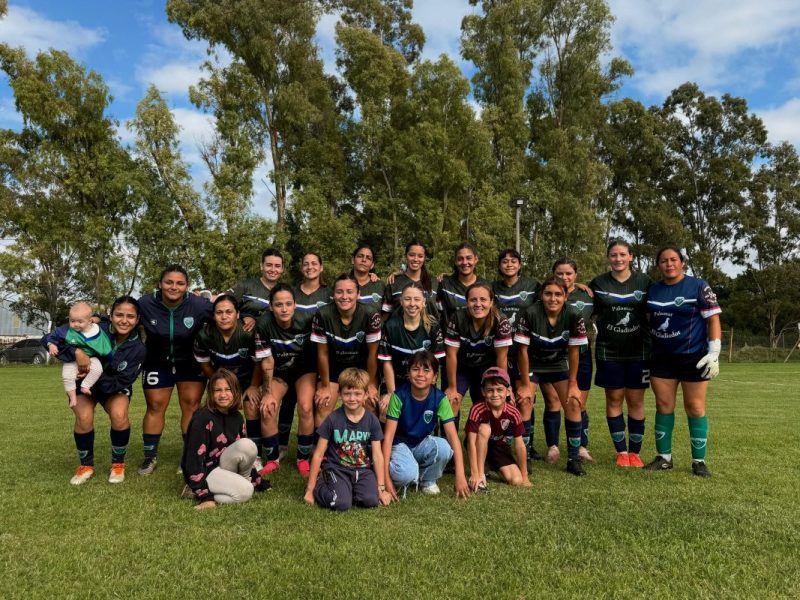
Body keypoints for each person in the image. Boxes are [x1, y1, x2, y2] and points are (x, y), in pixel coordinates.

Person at [44, 296, 146, 485]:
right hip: (83, 383)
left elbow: (124, 380)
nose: (124, 320)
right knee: (83, 417)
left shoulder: (138, 348)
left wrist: (93, 378)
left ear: (137, 319)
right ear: (111, 316)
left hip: (111, 387)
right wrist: (76, 353)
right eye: (119, 315)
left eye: (130, 316)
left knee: (119, 414)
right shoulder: (95, 327)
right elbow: (51, 339)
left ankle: (118, 465)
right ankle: (86, 466)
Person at [645, 245, 721, 478]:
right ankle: (664, 458)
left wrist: (714, 351)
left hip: (693, 357)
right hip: (661, 358)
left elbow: (713, 319)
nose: (669, 264)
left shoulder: (698, 286)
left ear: (682, 262)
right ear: (658, 265)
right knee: (663, 406)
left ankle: (699, 461)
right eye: (664, 260)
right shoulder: (653, 289)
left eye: (673, 259)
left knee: (695, 407)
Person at [137, 264, 213, 475]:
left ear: (187, 286)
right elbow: (122, 314)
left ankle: (189, 457)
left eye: (180, 283)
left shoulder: (199, 304)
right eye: (169, 282)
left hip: (190, 362)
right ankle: (150, 457)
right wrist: (97, 320)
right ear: (160, 284)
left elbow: (225, 314)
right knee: (155, 406)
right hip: (157, 362)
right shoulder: (145, 303)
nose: (174, 287)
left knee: (191, 405)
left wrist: (248, 318)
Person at [515, 277, 589, 475]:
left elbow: (574, 351)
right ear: (541, 295)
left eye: (558, 294)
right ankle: (525, 456)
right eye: (548, 294)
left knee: (574, 402)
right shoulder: (530, 313)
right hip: (533, 363)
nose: (553, 298)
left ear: (565, 296)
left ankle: (573, 459)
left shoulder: (573, 314)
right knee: (525, 401)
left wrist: (573, 383)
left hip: (558, 364)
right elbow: (522, 351)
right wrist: (524, 384)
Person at [589, 241, 652, 468]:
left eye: (622, 254)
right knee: (614, 399)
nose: (618, 259)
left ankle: (635, 452)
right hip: (609, 351)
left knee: (636, 401)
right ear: (608, 258)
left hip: (639, 351)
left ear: (631, 256)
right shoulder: (598, 283)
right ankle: (621, 452)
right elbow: (581, 302)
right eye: (614, 255)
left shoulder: (644, 282)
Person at [381, 351, 470, 499]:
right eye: (415, 369)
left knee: (444, 447)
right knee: (405, 475)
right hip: (399, 444)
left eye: (426, 370)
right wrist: (386, 479)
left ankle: (427, 480)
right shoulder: (398, 396)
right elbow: (388, 438)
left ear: (435, 377)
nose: (420, 374)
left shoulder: (440, 398)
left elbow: (453, 437)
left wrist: (460, 476)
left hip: (421, 443)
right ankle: (400, 470)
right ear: (408, 374)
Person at [303, 368, 391, 511]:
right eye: (347, 394)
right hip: (337, 469)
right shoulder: (332, 419)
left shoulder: (372, 420)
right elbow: (318, 454)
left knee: (371, 500)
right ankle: (322, 484)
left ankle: (348, 489)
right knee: (341, 504)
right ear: (339, 394)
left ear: (366, 395)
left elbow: (377, 455)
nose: (352, 398)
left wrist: (381, 488)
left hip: (362, 470)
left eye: (357, 394)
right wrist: (310, 489)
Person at [181, 369, 269, 510]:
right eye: (218, 390)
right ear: (211, 393)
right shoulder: (201, 418)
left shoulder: (237, 417)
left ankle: (243, 482)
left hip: (225, 465)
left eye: (228, 389)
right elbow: (192, 460)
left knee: (248, 445)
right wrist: (205, 496)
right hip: (207, 471)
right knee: (246, 492)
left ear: (235, 392)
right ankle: (197, 490)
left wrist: (258, 481)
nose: (223, 395)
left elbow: (242, 454)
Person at [254, 284, 317, 477]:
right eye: (278, 304)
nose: (284, 309)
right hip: (278, 371)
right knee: (267, 407)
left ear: (295, 305)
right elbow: (267, 360)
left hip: (304, 370)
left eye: (288, 304)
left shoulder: (307, 320)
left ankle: (303, 459)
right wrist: (267, 393)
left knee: (306, 407)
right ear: (271, 306)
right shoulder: (264, 323)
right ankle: (273, 460)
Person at [193, 294, 262, 465]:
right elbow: (204, 364)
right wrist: (219, 386)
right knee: (212, 408)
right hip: (221, 379)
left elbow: (259, 363)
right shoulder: (205, 334)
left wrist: (254, 386)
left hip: (246, 379)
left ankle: (255, 455)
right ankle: (214, 451)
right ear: (213, 315)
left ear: (237, 314)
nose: (224, 317)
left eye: (229, 312)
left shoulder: (248, 333)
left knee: (252, 406)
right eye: (219, 312)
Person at [311, 273, 382, 426]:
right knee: (323, 404)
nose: (344, 297)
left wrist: (370, 384)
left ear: (358, 294)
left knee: (370, 402)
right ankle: (321, 442)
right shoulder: (322, 314)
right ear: (333, 295)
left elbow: (372, 354)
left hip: (361, 367)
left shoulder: (371, 314)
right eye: (339, 292)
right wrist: (325, 386)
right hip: (334, 366)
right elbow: (322, 353)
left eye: (349, 292)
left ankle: (369, 440)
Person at [492, 249, 541, 460]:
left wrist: (578, 286)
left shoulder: (533, 286)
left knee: (525, 398)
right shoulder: (492, 287)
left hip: (525, 352)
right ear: (499, 265)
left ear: (520, 265)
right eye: (505, 261)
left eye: (513, 261)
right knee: (503, 398)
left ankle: (528, 446)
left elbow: (556, 292)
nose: (509, 264)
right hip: (500, 352)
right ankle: (502, 444)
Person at [444, 282, 512, 427]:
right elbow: (451, 355)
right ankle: (449, 442)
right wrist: (452, 387)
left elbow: (502, 357)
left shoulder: (501, 321)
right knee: (452, 401)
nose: (478, 304)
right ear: (467, 302)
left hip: (487, 368)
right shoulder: (457, 318)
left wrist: (505, 385)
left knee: (489, 403)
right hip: (462, 367)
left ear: (491, 302)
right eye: (473, 300)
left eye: (483, 299)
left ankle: (480, 436)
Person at [378, 281, 445, 417]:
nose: (412, 304)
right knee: (385, 410)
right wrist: (392, 394)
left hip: (422, 381)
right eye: (407, 299)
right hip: (396, 382)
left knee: (422, 414)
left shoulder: (433, 326)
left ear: (424, 302)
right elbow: (387, 362)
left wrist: (424, 387)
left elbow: (435, 362)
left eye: (417, 299)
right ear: (401, 302)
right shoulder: (390, 326)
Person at [553, 257, 595, 463]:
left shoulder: (588, 295)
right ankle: (553, 446)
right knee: (554, 402)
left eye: (569, 273)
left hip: (582, 353)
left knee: (579, 402)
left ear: (576, 275)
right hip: (555, 355)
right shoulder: (548, 293)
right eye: (559, 273)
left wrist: (579, 285)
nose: (564, 277)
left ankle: (581, 447)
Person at [466, 367, 531, 490]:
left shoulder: (513, 412)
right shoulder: (477, 409)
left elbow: (520, 445)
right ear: (483, 392)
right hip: (479, 442)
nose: (495, 394)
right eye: (490, 390)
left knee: (516, 480)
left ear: (508, 391)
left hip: (499, 447)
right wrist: (474, 473)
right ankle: (480, 474)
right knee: (485, 429)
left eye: (499, 390)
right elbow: (470, 442)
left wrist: (525, 476)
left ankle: (492, 465)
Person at [46, 301, 112, 408]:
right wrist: (51, 344)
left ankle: (85, 386)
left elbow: (105, 346)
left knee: (98, 369)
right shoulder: (66, 330)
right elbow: (53, 335)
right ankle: (72, 397)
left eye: (80, 322)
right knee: (67, 375)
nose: (76, 324)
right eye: (72, 321)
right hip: (72, 359)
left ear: (90, 321)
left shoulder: (96, 330)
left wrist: (110, 358)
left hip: (92, 358)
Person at [226, 248, 285, 332]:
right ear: (261, 266)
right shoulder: (245, 286)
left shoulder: (285, 292)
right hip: (245, 336)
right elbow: (221, 303)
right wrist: (243, 316)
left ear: (282, 269)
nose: (273, 270)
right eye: (269, 265)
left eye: (277, 266)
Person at [437, 242, 488, 329]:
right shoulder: (444, 285)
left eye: (469, 258)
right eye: (460, 259)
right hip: (450, 336)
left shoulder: (486, 286)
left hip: (479, 337)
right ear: (455, 261)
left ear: (476, 259)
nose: (464, 262)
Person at [382, 240, 438, 318]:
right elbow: (386, 315)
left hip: (430, 326)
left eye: (420, 256)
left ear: (424, 258)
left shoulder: (435, 283)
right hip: (400, 326)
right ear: (406, 256)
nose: (415, 259)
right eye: (411, 255)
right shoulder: (393, 282)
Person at [351, 245, 385, 314]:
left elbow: (386, 312)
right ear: (353, 260)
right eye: (360, 256)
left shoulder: (380, 285)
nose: (364, 260)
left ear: (372, 265)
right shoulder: (342, 284)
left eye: (368, 258)